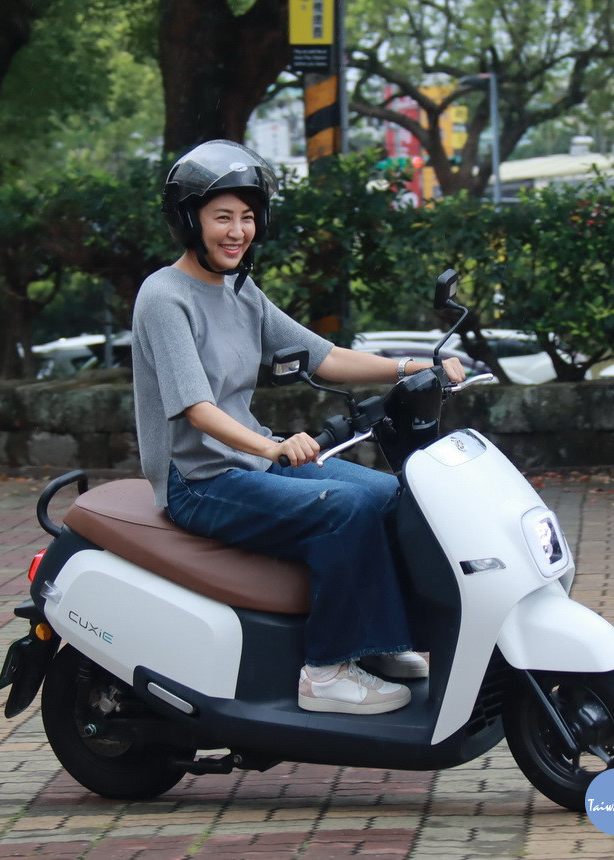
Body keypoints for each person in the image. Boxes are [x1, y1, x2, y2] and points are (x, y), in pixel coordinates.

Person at [131, 140, 465, 716]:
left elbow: (324, 357)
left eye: (247, 217)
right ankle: (326, 671)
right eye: (222, 217)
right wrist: (273, 445)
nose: (239, 231)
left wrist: (419, 365)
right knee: (343, 508)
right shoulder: (164, 297)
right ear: (190, 221)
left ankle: (378, 642)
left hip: (251, 461)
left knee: (389, 494)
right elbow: (195, 409)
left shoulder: (240, 291)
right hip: (199, 478)